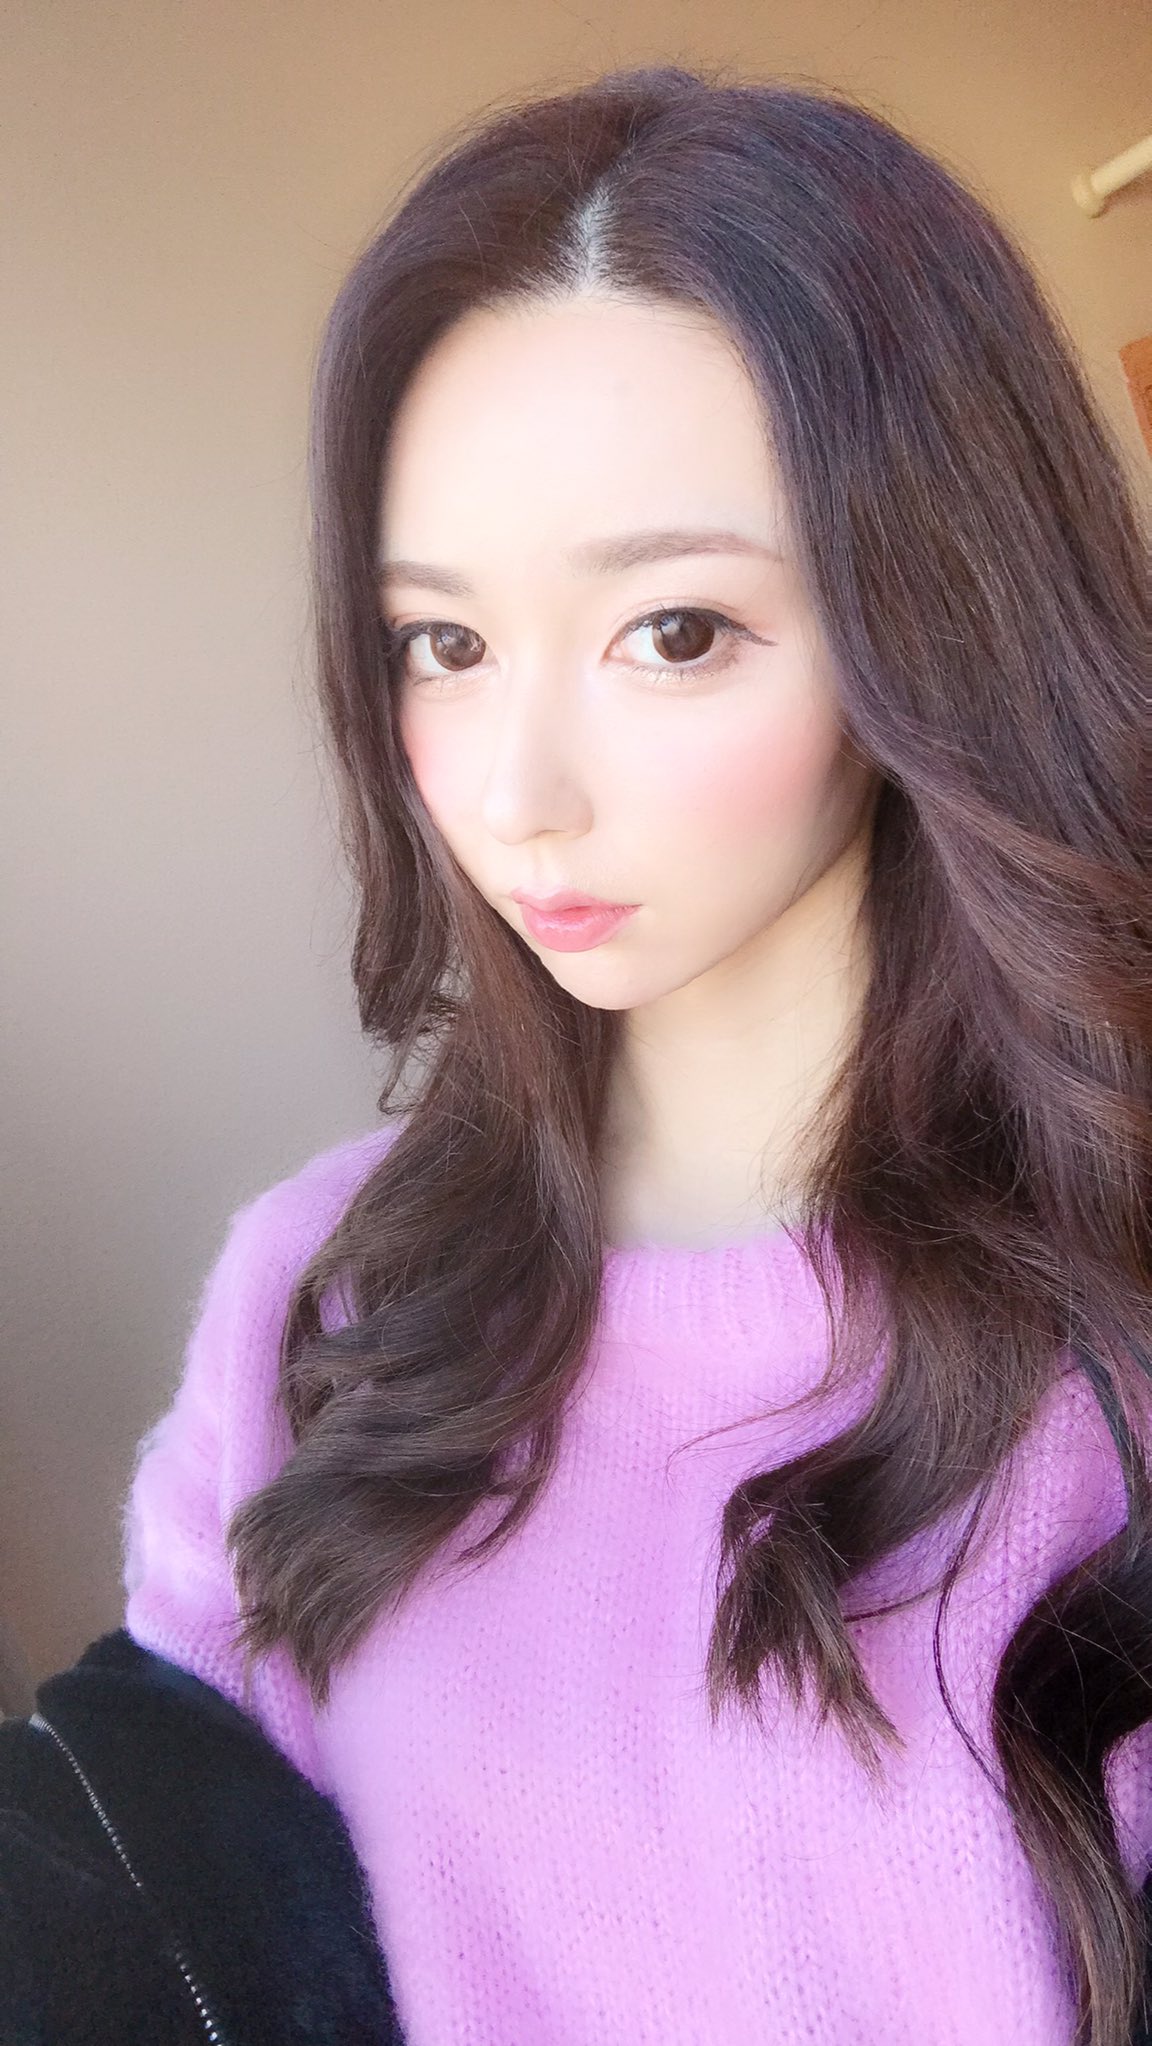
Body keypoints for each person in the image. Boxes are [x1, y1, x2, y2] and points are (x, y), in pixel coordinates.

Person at [2, 58, 1150, 2046]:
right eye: (443, 644)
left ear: (935, 619)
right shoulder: (322, 1299)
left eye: (674, 632)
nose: (516, 793)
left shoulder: (1109, 1331)